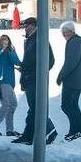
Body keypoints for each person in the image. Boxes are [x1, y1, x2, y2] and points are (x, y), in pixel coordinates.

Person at [14, 17, 57, 145]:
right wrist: (23, 68)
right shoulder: (29, 40)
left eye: (27, 25)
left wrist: (37, 73)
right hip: (29, 79)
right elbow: (30, 60)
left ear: (34, 26)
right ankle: (28, 136)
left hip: (35, 80)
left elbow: (50, 61)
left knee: (36, 108)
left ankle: (50, 130)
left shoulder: (40, 39)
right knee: (33, 109)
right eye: (25, 26)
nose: (25, 28)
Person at [56, 21, 81, 141]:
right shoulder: (77, 41)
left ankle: (80, 130)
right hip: (77, 80)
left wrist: (61, 76)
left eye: (66, 32)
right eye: (63, 33)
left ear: (72, 31)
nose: (64, 35)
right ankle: (76, 130)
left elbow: (71, 62)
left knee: (68, 106)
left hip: (73, 81)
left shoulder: (74, 42)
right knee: (72, 106)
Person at [0, 34, 21, 136]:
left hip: (11, 82)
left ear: (9, 41)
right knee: (6, 104)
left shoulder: (10, 51)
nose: (4, 41)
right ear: (0, 41)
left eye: (6, 39)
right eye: (2, 39)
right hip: (3, 81)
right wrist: (1, 50)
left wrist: (11, 51)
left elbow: (17, 62)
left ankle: (9, 130)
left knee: (13, 104)